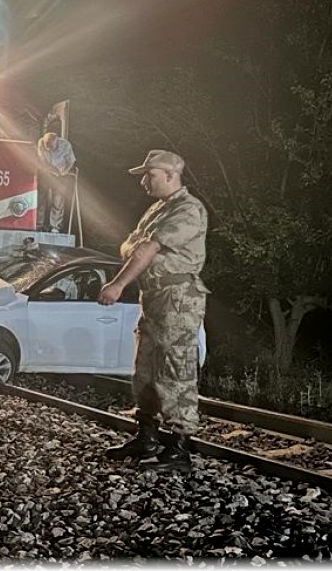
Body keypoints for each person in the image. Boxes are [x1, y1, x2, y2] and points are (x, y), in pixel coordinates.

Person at [97, 149, 208, 472]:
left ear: (171, 176)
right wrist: (139, 251)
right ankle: (146, 436)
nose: (145, 181)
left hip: (178, 297)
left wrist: (117, 285)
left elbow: (144, 247)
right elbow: (129, 246)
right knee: (145, 369)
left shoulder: (188, 209)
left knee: (175, 370)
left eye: (151, 175)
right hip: (155, 295)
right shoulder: (158, 210)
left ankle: (178, 449)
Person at [36, 132, 76, 233]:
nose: (49, 148)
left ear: (56, 140)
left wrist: (64, 171)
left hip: (60, 175)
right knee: (41, 198)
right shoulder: (41, 143)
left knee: (58, 201)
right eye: (47, 146)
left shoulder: (66, 145)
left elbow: (71, 161)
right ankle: (38, 224)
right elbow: (41, 159)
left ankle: (55, 226)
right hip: (47, 174)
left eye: (51, 146)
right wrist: (49, 170)